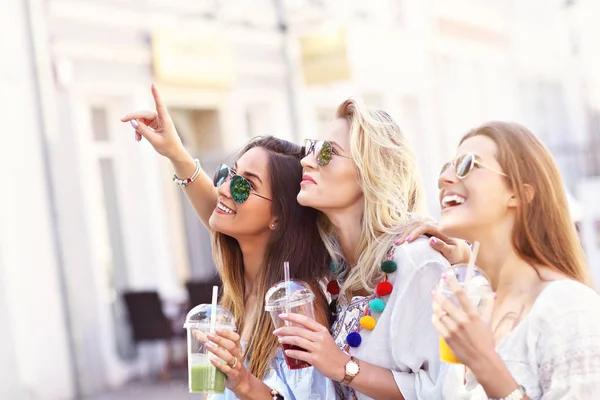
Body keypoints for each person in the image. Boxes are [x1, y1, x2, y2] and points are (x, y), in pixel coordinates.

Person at [121, 84, 335, 399]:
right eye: (227, 175)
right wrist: (175, 151)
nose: (224, 189)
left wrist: (242, 380)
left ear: (277, 217)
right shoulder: (239, 283)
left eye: (245, 186)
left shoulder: (295, 304)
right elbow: (219, 209)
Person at [274, 99, 450, 399]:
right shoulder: (337, 271)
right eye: (311, 148)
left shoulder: (417, 261)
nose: (307, 160)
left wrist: (342, 365)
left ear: (371, 172)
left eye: (327, 152)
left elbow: (443, 389)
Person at [430, 121, 600, 399]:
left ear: (518, 194)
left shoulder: (569, 308)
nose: (445, 178)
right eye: (446, 168)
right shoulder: (476, 308)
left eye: (467, 165)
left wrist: (485, 363)